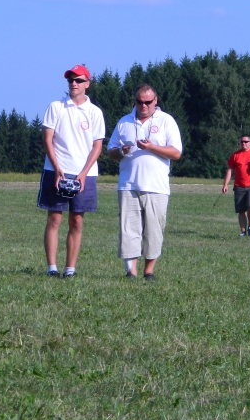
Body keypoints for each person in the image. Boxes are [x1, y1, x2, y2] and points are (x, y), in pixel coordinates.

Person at [108, 83, 182, 281]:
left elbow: (176, 153)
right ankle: (130, 271)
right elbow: (111, 151)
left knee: (154, 230)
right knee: (128, 229)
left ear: (155, 100)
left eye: (148, 102)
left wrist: (151, 147)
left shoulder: (166, 121)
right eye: (139, 102)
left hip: (156, 186)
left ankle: (149, 271)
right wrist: (121, 151)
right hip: (128, 184)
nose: (144, 106)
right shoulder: (124, 121)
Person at [38, 64, 105, 278]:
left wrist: (83, 173)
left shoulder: (95, 112)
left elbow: (97, 146)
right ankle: (52, 268)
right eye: (70, 80)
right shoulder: (56, 107)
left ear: (87, 83)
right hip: (56, 170)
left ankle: (70, 269)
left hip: (84, 174)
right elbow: (48, 140)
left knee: (76, 221)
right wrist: (57, 168)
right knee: (54, 219)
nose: (74, 84)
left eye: (78, 80)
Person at [222, 134, 250, 236]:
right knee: (241, 210)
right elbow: (230, 170)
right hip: (239, 185)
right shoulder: (236, 155)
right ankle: (243, 232)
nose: (244, 143)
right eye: (242, 142)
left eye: (246, 141)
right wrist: (225, 185)